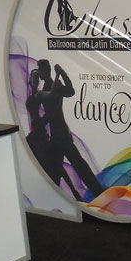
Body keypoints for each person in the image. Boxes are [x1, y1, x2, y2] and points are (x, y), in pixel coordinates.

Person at [37, 59, 105, 199]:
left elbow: (70, 92)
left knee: (75, 164)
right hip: (57, 134)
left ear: (45, 70)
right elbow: (56, 102)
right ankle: (94, 191)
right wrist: (61, 74)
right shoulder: (49, 87)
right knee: (64, 166)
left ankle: (97, 191)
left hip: (60, 133)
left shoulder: (52, 86)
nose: (38, 72)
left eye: (40, 69)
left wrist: (62, 74)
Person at [24, 69, 82, 200]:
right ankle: (68, 191)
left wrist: (57, 76)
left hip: (40, 133)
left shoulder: (39, 94)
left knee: (53, 163)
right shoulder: (34, 95)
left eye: (37, 77)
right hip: (36, 132)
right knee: (49, 163)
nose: (36, 79)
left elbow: (51, 96)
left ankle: (73, 191)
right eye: (34, 77)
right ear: (30, 79)